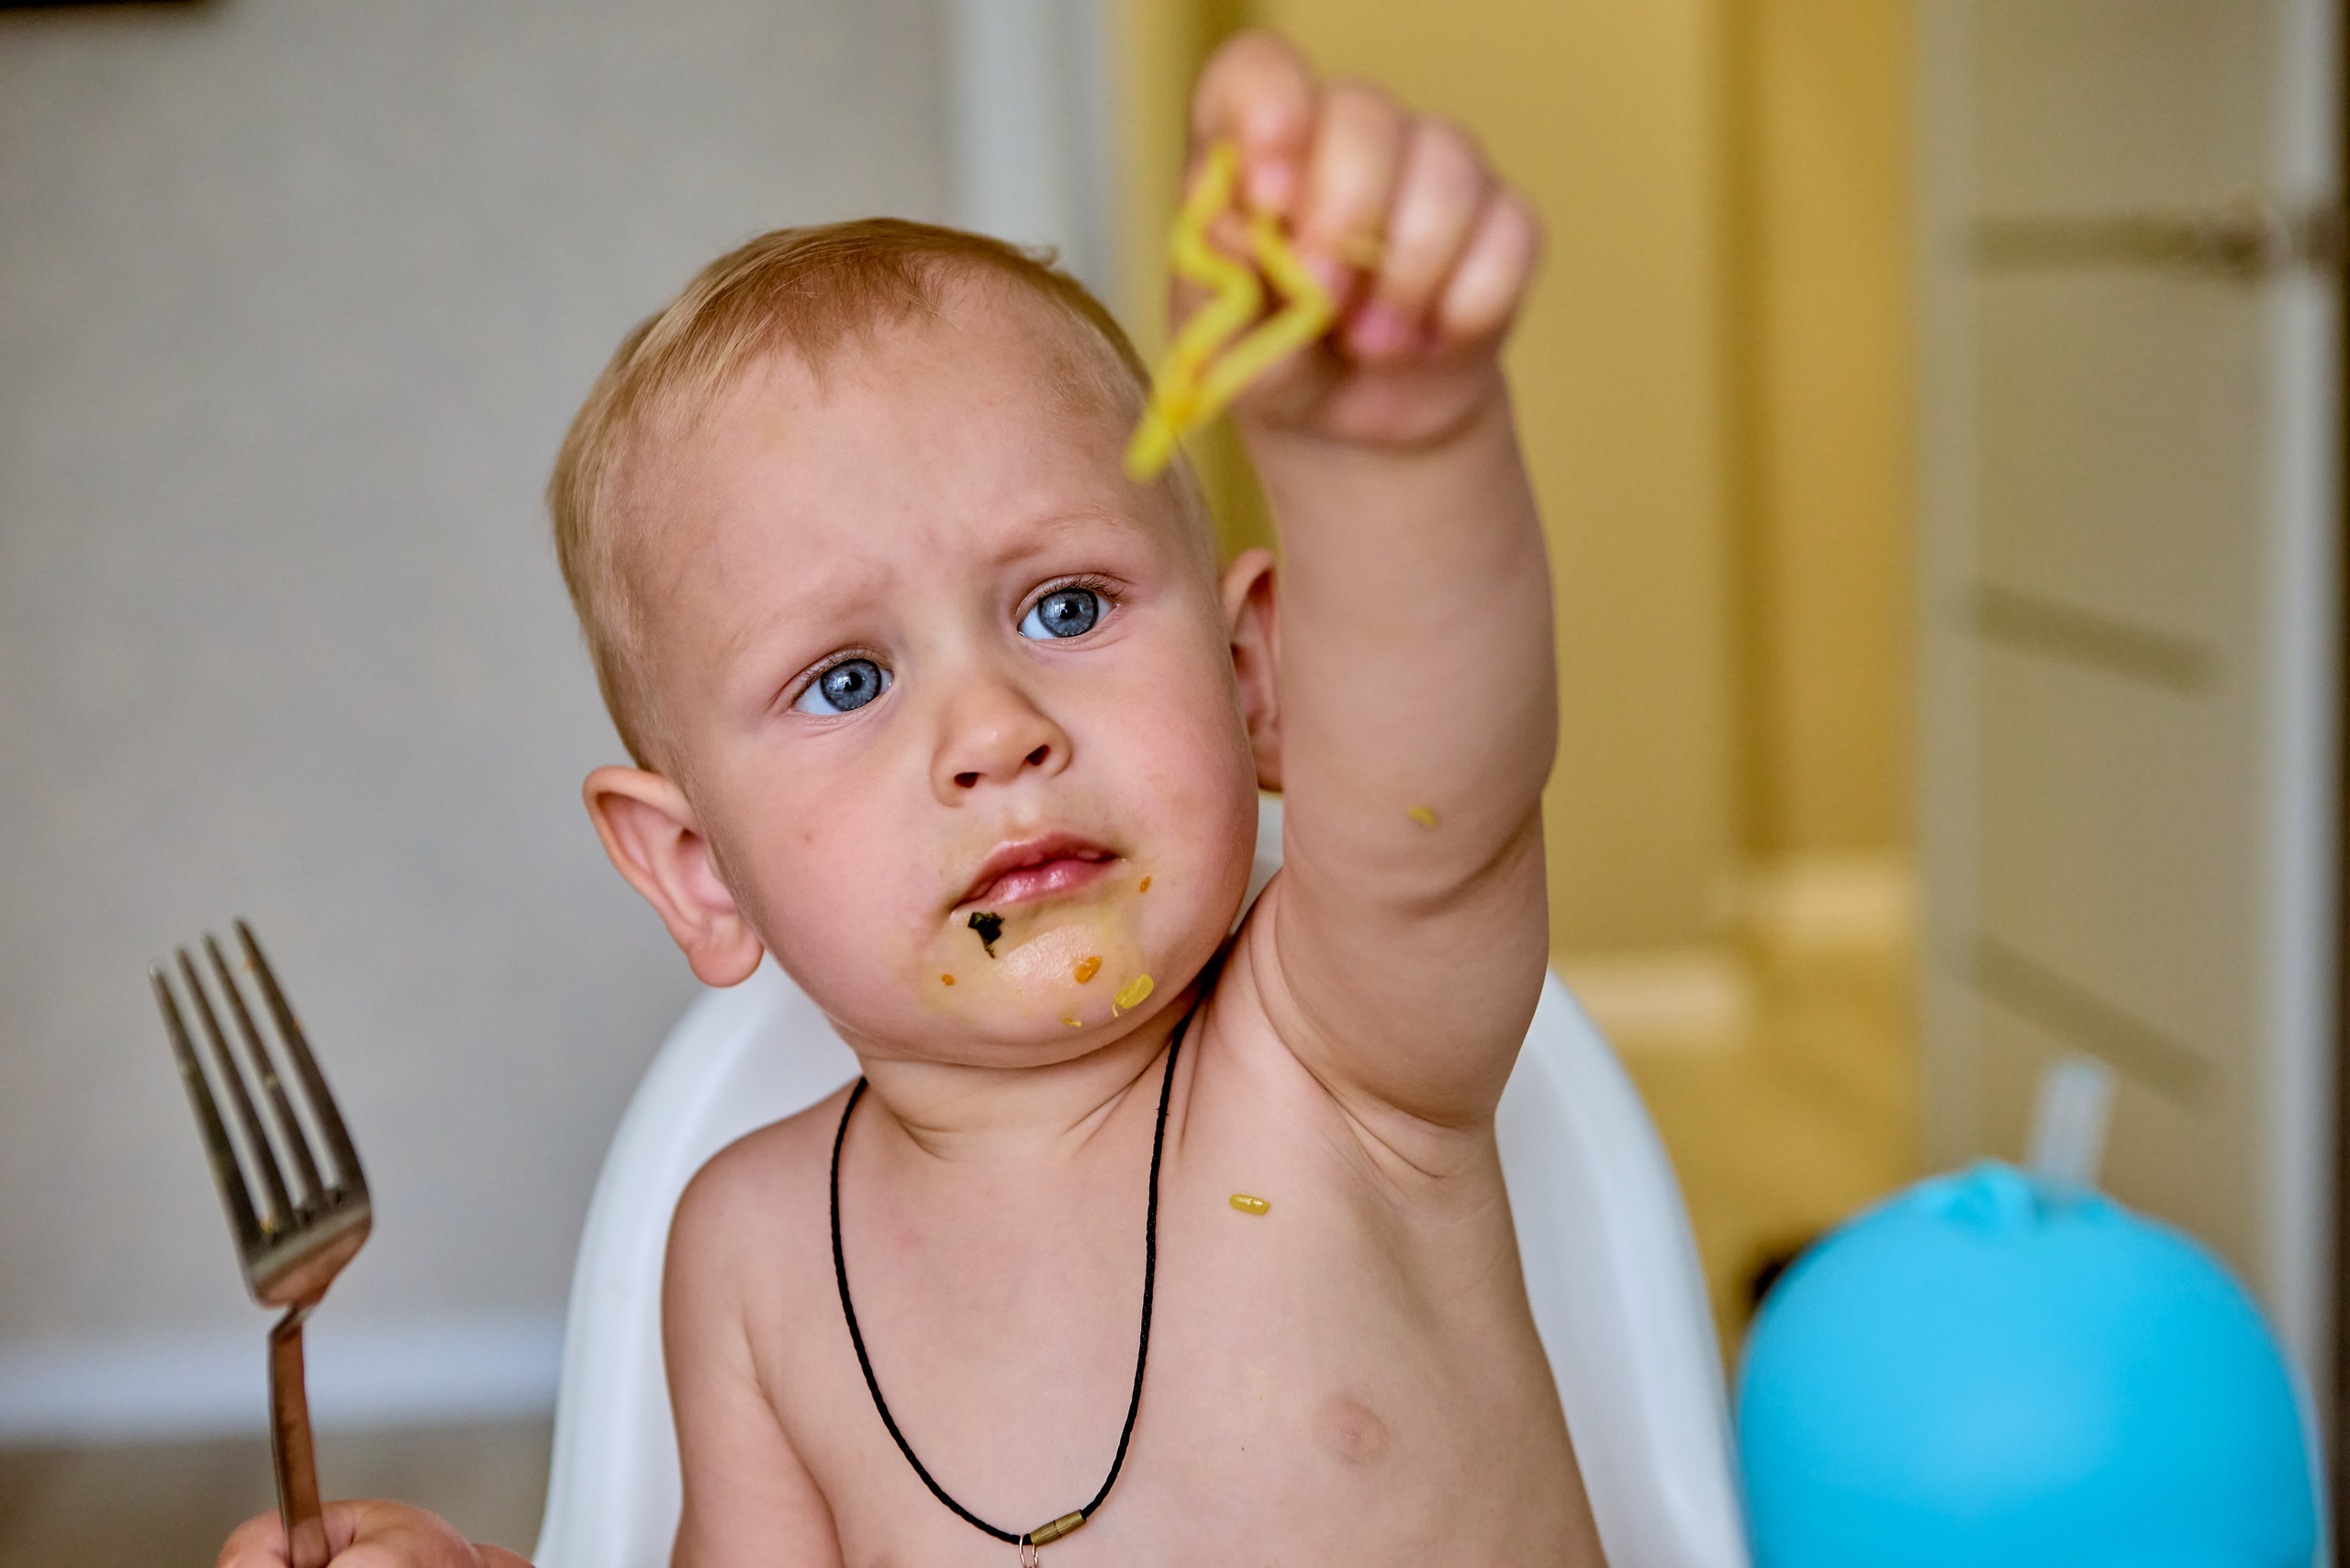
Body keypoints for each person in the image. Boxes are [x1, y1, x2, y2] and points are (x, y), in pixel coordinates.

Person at [220, 31, 1602, 1568]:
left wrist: (1395, 453)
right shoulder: (750, 1261)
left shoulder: (1341, 1052)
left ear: (1256, 675)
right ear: (697, 872)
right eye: (847, 682)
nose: (994, 731)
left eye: (1067, 608)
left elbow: (1443, 799)